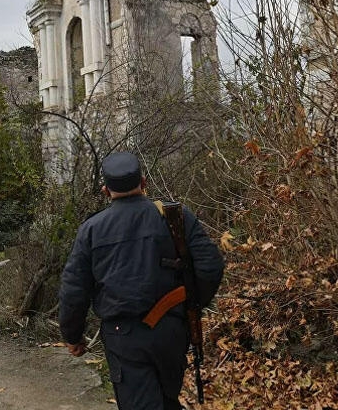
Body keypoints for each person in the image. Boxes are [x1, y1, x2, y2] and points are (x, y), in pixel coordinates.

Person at [59, 152, 225, 410]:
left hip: (123, 337)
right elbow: (211, 266)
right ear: (144, 183)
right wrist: (188, 305)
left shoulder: (92, 229)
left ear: (105, 190)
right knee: (167, 400)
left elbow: (74, 289)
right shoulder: (176, 216)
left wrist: (72, 336)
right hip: (171, 331)